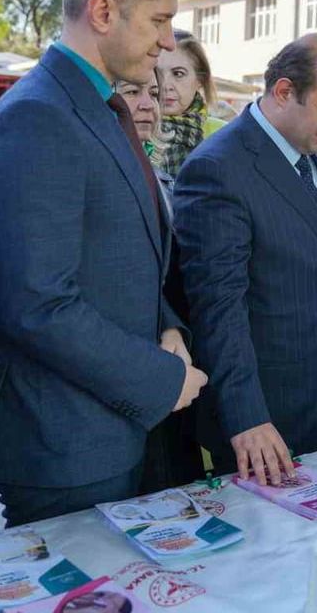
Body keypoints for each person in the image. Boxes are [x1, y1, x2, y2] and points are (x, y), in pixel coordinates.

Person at [0, 0, 207, 527]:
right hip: (66, 447)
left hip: (115, 430)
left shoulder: (99, 108)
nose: (167, 42)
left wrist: (168, 325)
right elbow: (39, 306)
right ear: (102, 11)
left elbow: (123, 255)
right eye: (158, 20)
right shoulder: (38, 118)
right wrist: (160, 379)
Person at [174, 34, 317, 486]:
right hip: (267, 422)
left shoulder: (311, 152)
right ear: (283, 92)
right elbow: (218, 307)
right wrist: (247, 416)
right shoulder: (219, 169)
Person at [117, 68, 206, 493]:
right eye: (132, 91)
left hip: (176, 374)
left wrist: (172, 325)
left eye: (153, 94)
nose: (148, 104)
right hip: (127, 381)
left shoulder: (163, 178)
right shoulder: (101, 178)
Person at [156, 31, 226, 176]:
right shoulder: (131, 129)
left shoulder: (223, 134)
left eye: (178, 74)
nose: (165, 85)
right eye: (156, 73)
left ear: (199, 80)